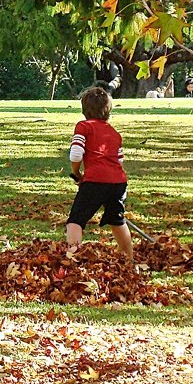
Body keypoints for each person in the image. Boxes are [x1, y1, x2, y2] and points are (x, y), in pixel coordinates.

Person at [66, 86, 133, 261]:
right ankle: (128, 261)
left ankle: (72, 257)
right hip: (118, 183)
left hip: (95, 180)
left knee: (76, 220)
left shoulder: (84, 127)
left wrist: (76, 173)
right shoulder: (114, 133)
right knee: (117, 219)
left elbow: (76, 153)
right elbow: (119, 161)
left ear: (84, 109)